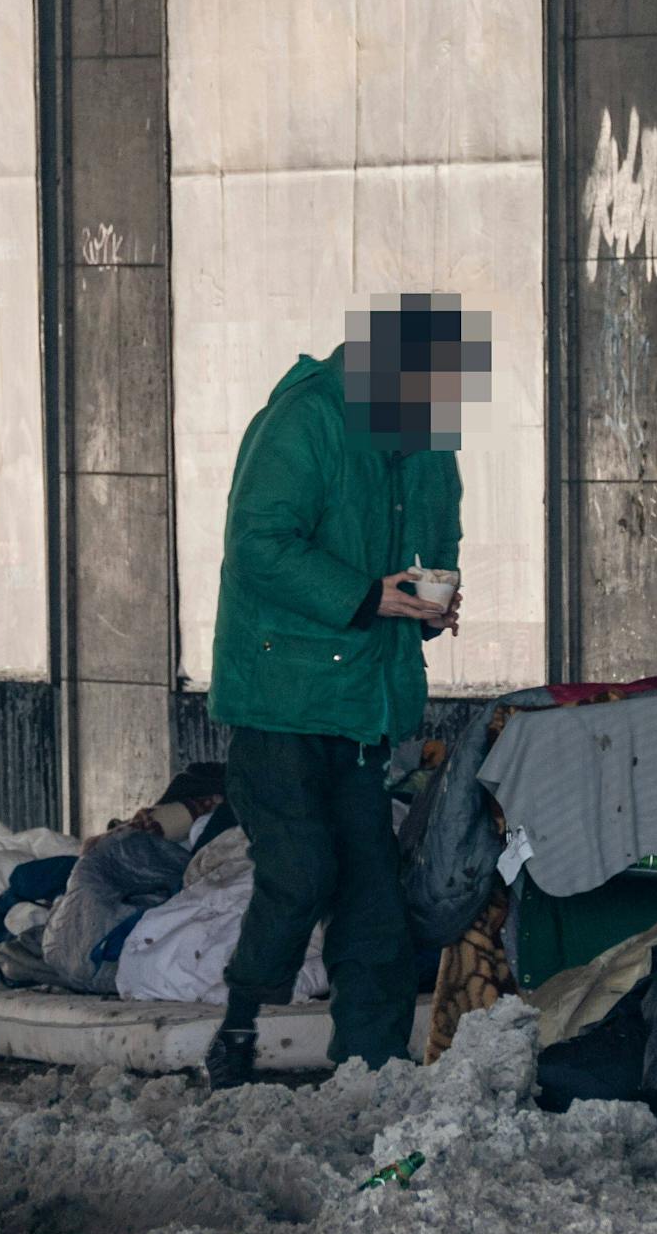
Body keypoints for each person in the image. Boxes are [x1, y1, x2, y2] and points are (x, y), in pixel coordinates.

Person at [203, 293, 490, 1088]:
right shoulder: (304, 421)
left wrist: (432, 604)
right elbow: (258, 545)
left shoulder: (426, 437)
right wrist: (368, 595)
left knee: (372, 900)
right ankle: (238, 1037)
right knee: (301, 873)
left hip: (364, 706)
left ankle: (373, 1069)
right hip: (280, 701)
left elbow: (438, 542)